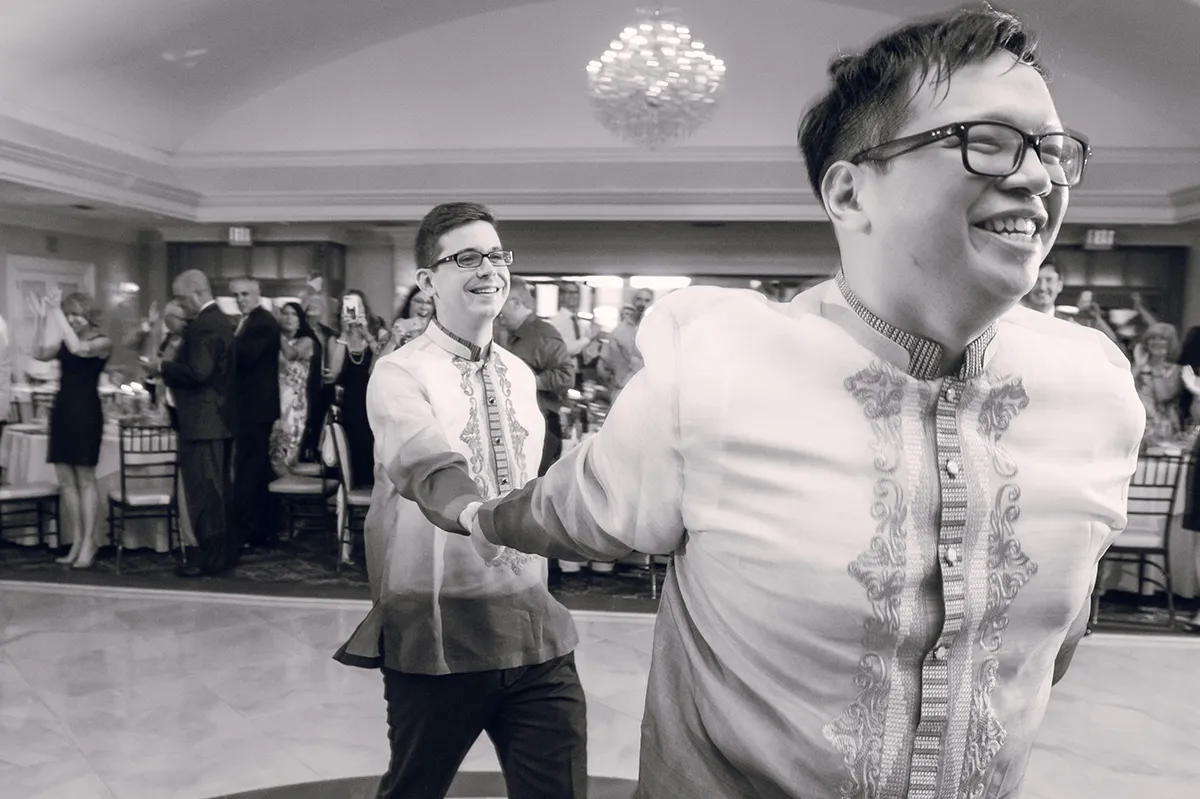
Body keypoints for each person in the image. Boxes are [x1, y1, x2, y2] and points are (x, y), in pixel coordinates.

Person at [449, 9, 1145, 796]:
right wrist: (476, 514)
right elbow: (574, 509)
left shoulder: (1095, 390)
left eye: (1052, 149)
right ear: (849, 192)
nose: (1038, 176)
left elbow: (1049, 643)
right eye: (988, 141)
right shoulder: (719, 366)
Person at [334, 202, 584, 799]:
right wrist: (477, 516)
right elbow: (424, 465)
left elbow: (533, 482)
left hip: (536, 631)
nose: (489, 269)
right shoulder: (400, 372)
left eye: (496, 255)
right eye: (467, 258)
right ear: (428, 281)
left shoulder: (519, 373)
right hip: (438, 636)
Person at [157, 269, 236, 577]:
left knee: (206, 492)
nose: (180, 305)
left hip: (203, 421)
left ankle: (211, 557)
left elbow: (199, 372)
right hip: (214, 419)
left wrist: (162, 367)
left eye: (181, 298)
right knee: (214, 489)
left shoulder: (205, 325)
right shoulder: (218, 320)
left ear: (196, 293)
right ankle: (218, 554)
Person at [30, 289, 111, 569]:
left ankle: (89, 541)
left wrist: (56, 313)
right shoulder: (65, 340)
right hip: (63, 410)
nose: (72, 320)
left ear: (89, 315)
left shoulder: (102, 341)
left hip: (86, 412)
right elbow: (38, 353)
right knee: (65, 479)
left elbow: (79, 349)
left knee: (85, 478)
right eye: (69, 315)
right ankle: (76, 539)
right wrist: (41, 318)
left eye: (76, 315)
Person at [497, 277, 575, 475]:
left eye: (500, 302)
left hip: (543, 427)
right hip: (522, 425)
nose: (496, 311)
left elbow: (566, 376)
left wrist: (524, 381)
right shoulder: (511, 333)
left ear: (515, 303)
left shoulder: (543, 334)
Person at [230, 277, 282, 548]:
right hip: (252, 406)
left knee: (250, 469)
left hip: (256, 407)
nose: (240, 299)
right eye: (237, 295)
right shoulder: (251, 321)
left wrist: (226, 340)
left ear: (257, 294)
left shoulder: (263, 322)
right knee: (255, 469)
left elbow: (246, 357)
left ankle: (251, 529)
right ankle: (262, 529)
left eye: (245, 294)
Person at [325, 289, 383, 488]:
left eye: (356, 306)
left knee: (374, 448)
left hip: (374, 401)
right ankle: (352, 494)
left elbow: (385, 361)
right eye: (347, 306)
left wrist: (367, 335)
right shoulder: (335, 339)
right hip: (349, 404)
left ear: (364, 309)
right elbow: (334, 372)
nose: (351, 311)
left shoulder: (379, 333)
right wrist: (344, 334)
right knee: (351, 450)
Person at [270, 301, 321, 475]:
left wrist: (276, 332)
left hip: (294, 404)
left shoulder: (306, 341)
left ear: (300, 320)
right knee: (273, 452)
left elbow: (291, 354)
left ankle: (289, 488)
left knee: (286, 454)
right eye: (284, 313)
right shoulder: (274, 342)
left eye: (293, 314)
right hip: (275, 401)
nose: (288, 318)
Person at [1021, 261, 1119, 342]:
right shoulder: (1016, 320)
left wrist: (1097, 318)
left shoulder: (1073, 323)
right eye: (1036, 280)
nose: (1042, 287)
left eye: (1049, 280)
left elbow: (1113, 345)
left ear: (1059, 286)